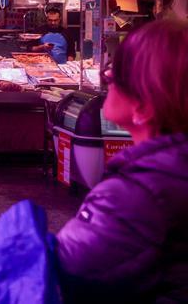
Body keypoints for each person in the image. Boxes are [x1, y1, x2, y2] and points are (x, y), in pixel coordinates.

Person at [54, 19, 188, 302]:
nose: (106, 75)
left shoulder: (137, 193)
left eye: (116, 73)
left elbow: (63, 272)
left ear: (144, 104)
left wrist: (13, 244)